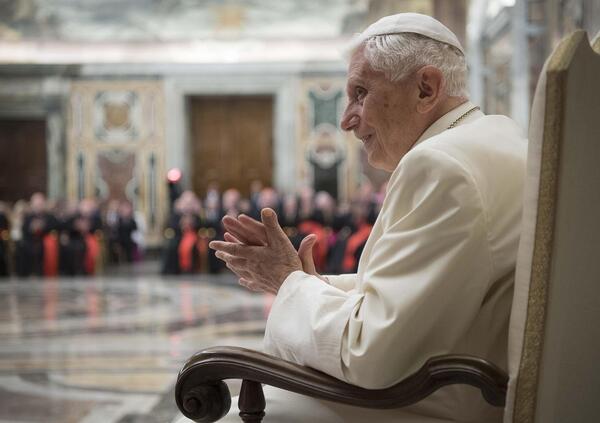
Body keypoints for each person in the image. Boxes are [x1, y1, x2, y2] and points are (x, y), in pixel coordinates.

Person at [202, 13, 527, 423]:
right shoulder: (497, 137)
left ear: (426, 88)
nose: (346, 119)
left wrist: (289, 283)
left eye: (360, 93)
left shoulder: (441, 166)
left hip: (430, 405)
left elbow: (368, 354)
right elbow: (429, 288)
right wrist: (310, 283)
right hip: (457, 384)